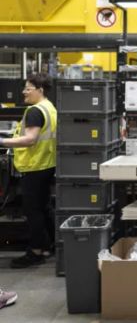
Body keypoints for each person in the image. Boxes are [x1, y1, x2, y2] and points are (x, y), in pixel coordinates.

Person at [0, 73, 57, 268]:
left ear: (39, 90)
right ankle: (50, 245)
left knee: (33, 211)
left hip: (34, 166)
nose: (24, 92)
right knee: (44, 207)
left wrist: (2, 141)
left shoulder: (34, 111)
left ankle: (36, 251)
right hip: (46, 164)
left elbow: (30, 139)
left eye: (28, 88)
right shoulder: (50, 107)